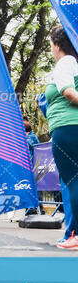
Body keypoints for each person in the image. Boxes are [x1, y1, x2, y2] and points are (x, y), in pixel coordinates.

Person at [45, 26, 78, 249]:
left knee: (74, 180)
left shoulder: (65, 63)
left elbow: (68, 91)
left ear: (57, 44)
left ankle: (75, 234)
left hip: (68, 128)